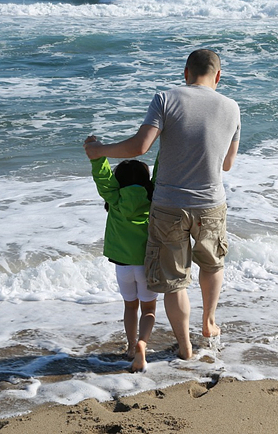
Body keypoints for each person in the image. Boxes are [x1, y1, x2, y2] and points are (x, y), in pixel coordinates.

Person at [84, 49, 240, 360]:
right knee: (211, 264)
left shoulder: (166, 98)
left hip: (169, 204)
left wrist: (99, 151)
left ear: (186, 73)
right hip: (211, 202)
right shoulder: (232, 108)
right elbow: (227, 164)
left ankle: (185, 346)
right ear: (218, 77)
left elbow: (140, 146)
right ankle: (209, 323)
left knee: (173, 280)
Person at [86, 144, 157, 372]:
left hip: (123, 265)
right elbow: (164, 171)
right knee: (149, 310)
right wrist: (167, 147)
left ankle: (129, 346)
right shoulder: (153, 194)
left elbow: (103, 177)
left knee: (130, 307)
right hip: (147, 263)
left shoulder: (114, 197)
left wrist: (97, 156)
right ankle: (142, 343)